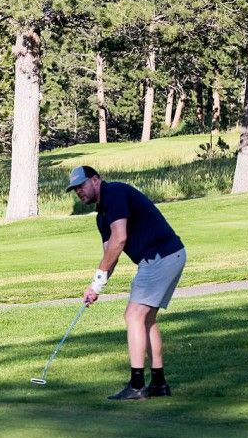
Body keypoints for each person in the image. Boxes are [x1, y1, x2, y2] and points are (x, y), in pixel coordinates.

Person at [67, 166, 188, 400]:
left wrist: (98, 278)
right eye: (75, 189)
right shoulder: (102, 215)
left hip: (159, 256)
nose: (79, 192)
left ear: (96, 180)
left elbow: (119, 238)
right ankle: (159, 384)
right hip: (165, 256)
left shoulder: (114, 194)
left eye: (82, 185)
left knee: (133, 316)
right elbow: (109, 254)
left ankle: (136, 385)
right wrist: (96, 287)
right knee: (146, 319)